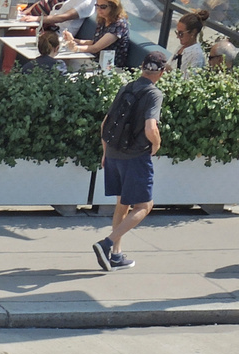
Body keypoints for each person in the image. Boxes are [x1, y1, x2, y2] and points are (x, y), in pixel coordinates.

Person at [91, 51, 166, 272]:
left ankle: (116, 255)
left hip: (113, 153)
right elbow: (151, 127)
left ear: (142, 67)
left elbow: (105, 124)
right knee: (144, 206)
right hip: (135, 156)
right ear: (161, 73)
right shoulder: (154, 94)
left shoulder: (127, 87)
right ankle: (107, 244)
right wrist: (156, 144)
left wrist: (106, 153)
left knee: (122, 205)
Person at [63, 0, 128, 69]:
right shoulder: (103, 19)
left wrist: (76, 48)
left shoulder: (119, 25)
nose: (99, 9)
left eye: (103, 7)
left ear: (114, 7)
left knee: (69, 65)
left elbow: (95, 48)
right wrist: (73, 40)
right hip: (95, 59)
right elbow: (94, 42)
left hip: (109, 67)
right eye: (97, 6)